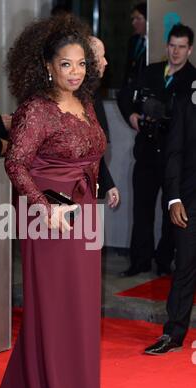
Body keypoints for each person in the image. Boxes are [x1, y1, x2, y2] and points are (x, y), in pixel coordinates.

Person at [0, 15, 106, 388]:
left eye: (81, 64)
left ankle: (77, 386)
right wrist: (45, 209)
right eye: (66, 64)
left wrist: (94, 198)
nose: (75, 72)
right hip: (49, 221)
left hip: (85, 217)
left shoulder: (86, 103)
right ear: (47, 65)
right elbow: (16, 163)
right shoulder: (37, 109)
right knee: (55, 305)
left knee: (80, 304)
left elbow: (92, 155)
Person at [120, 24, 196, 277]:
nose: (175, 52)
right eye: (172, 46)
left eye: (181, 47)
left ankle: (164, 262)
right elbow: (125, 96)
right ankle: (139, 261)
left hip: (175, 157)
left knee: (171, 212)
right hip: (146, 150)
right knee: (141, 211)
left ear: (190, 49)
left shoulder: (192, 81)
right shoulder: (151, 71)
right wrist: (132, 116)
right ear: (167, 46)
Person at [144, 92, 196, 354]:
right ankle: (173, 333)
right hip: (190, 201)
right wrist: (174, 198)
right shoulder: (187, 103)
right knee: (185, 264)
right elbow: (174, 152)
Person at [90, 36, 120, 208]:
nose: (106, 62)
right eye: (102, 56)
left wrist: (107, 183)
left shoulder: (92, 92)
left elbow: (95, 150)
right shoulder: (81, 97)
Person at [117, 2, 147, 122]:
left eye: (138, 18)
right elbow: (128, 67)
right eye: (133, 19)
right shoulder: (134, 40)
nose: (134, 23)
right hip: (131, 91)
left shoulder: (155, 43)